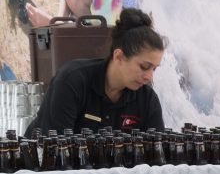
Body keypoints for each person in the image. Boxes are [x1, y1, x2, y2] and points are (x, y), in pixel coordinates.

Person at [24, 8, 165, 136]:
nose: (149, 77)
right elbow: (54, 150)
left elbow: (158, 155)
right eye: (144, 66)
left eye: (154, 69)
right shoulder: (71, 81)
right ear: (119, 57)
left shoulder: (147, 99)